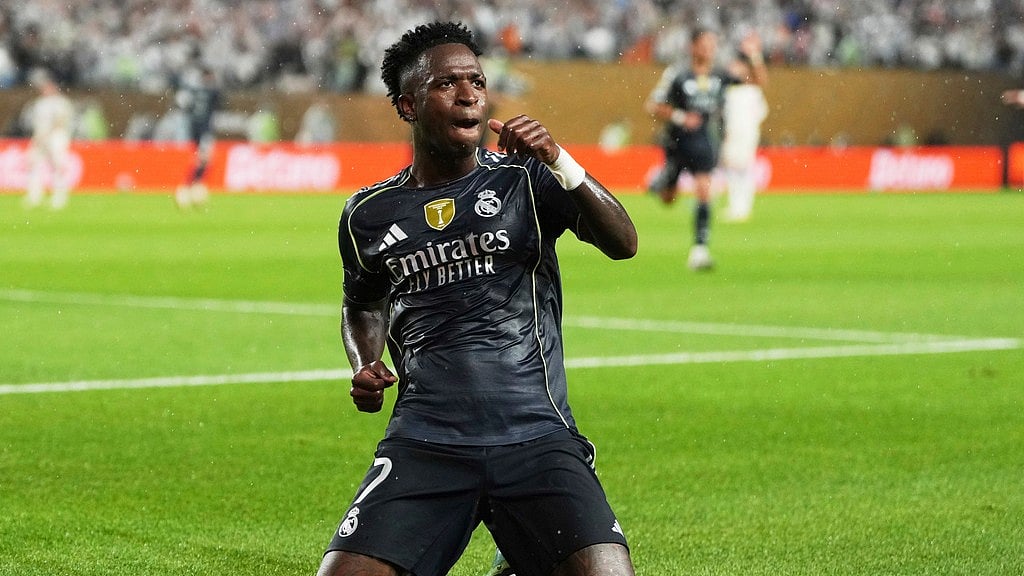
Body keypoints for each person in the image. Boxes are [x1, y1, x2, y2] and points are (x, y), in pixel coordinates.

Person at [317, 21, 638, 576]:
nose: (469, 95)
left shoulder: (527, 181)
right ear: (408, 106)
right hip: (426, 440)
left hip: (536, 435)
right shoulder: (367, 214)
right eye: (447, 84)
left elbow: (623, 242)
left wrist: (559, 159)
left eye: (476, 82)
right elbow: (362, 302)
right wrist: (365, 361)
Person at [645, 28, 766, 270]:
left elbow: (758, 82)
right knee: (668, 198)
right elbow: (653, 105)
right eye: (705, 44)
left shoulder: (721, 74)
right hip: (677, 143)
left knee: (704, 191)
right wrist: (681, 117)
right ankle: (662, 182)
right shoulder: (678, 74)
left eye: (713, 44)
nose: (710, 49)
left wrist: (754, 56)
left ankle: (699, 251)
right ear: (693, 47)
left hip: (705, 142)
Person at [721, 32, 769, 222]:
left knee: (744, 168)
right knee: (731, 168)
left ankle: (744, 206)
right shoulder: (730, 88)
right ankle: (735, 206)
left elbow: (761, 78)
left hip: (746, 133)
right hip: (731, 132)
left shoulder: (752, 89)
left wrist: (755, 54)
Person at [24, 67, 75, 210]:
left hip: (56, 137)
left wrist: (48, 133)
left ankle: (59, 196)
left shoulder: (61, 102)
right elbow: (36, 122)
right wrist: (39, 136)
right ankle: (34, 195)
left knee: (57, 165)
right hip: (40, 137)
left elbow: (61, 120)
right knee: (33, 163)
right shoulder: (40, 103)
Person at [174, 66, 221, 209]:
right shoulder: (213, 92)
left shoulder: (193, 90)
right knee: (205, 159)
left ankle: (193, 185)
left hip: (194, 129)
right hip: (204, 130)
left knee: (202, 159)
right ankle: (190, 186)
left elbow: (183, 105)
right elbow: (219, 105)